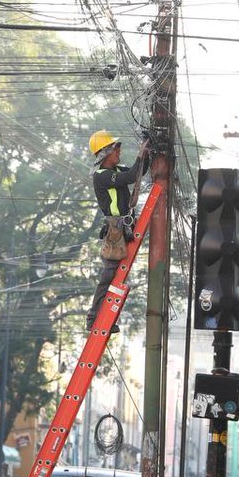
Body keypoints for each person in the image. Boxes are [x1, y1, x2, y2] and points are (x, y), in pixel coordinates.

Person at [85, 131, 149, 333]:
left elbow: (137, 172)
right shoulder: (102, 176)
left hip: (123, 227)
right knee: (109, 275)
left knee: (115, 277)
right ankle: (94, 318)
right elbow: (130, 177)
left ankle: (103, 318)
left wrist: (147, 154)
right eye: (116, 149)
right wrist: (141, 153)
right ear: (106, 153)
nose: (119, 152)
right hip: (115, 228)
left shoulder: (115, 171)